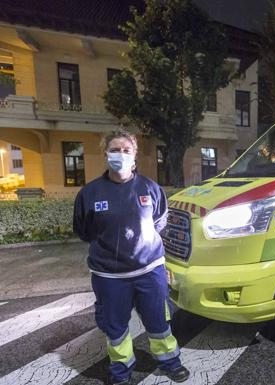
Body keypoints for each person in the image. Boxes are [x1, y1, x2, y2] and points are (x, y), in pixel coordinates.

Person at [73, 129, 189, 385]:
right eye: (115, 150)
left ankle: (170, 361)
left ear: (134, 155)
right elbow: (84, 231)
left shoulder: (150, 188)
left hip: (150, 271)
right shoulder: (89, 194)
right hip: (109, 277)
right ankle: (121, 370)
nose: (121, 155)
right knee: (115, 328)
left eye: (126, 150)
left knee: (159, 321)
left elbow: (159, 223)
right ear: (106, 154)